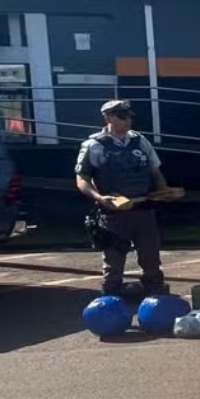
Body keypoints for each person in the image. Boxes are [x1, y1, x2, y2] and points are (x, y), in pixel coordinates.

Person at [75, 100, 170, 295]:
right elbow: (82, 179)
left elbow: (155, 171)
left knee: (151, 258)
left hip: (144, 210)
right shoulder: (94, 145)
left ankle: (156, 296)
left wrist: (164, 190)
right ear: (108, 118)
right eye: (122, 117)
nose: (127, 121)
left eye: (129, 117)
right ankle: (111, 299)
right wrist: (99, 198)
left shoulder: (140, 141)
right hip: (114, 214)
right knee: (114, 261)